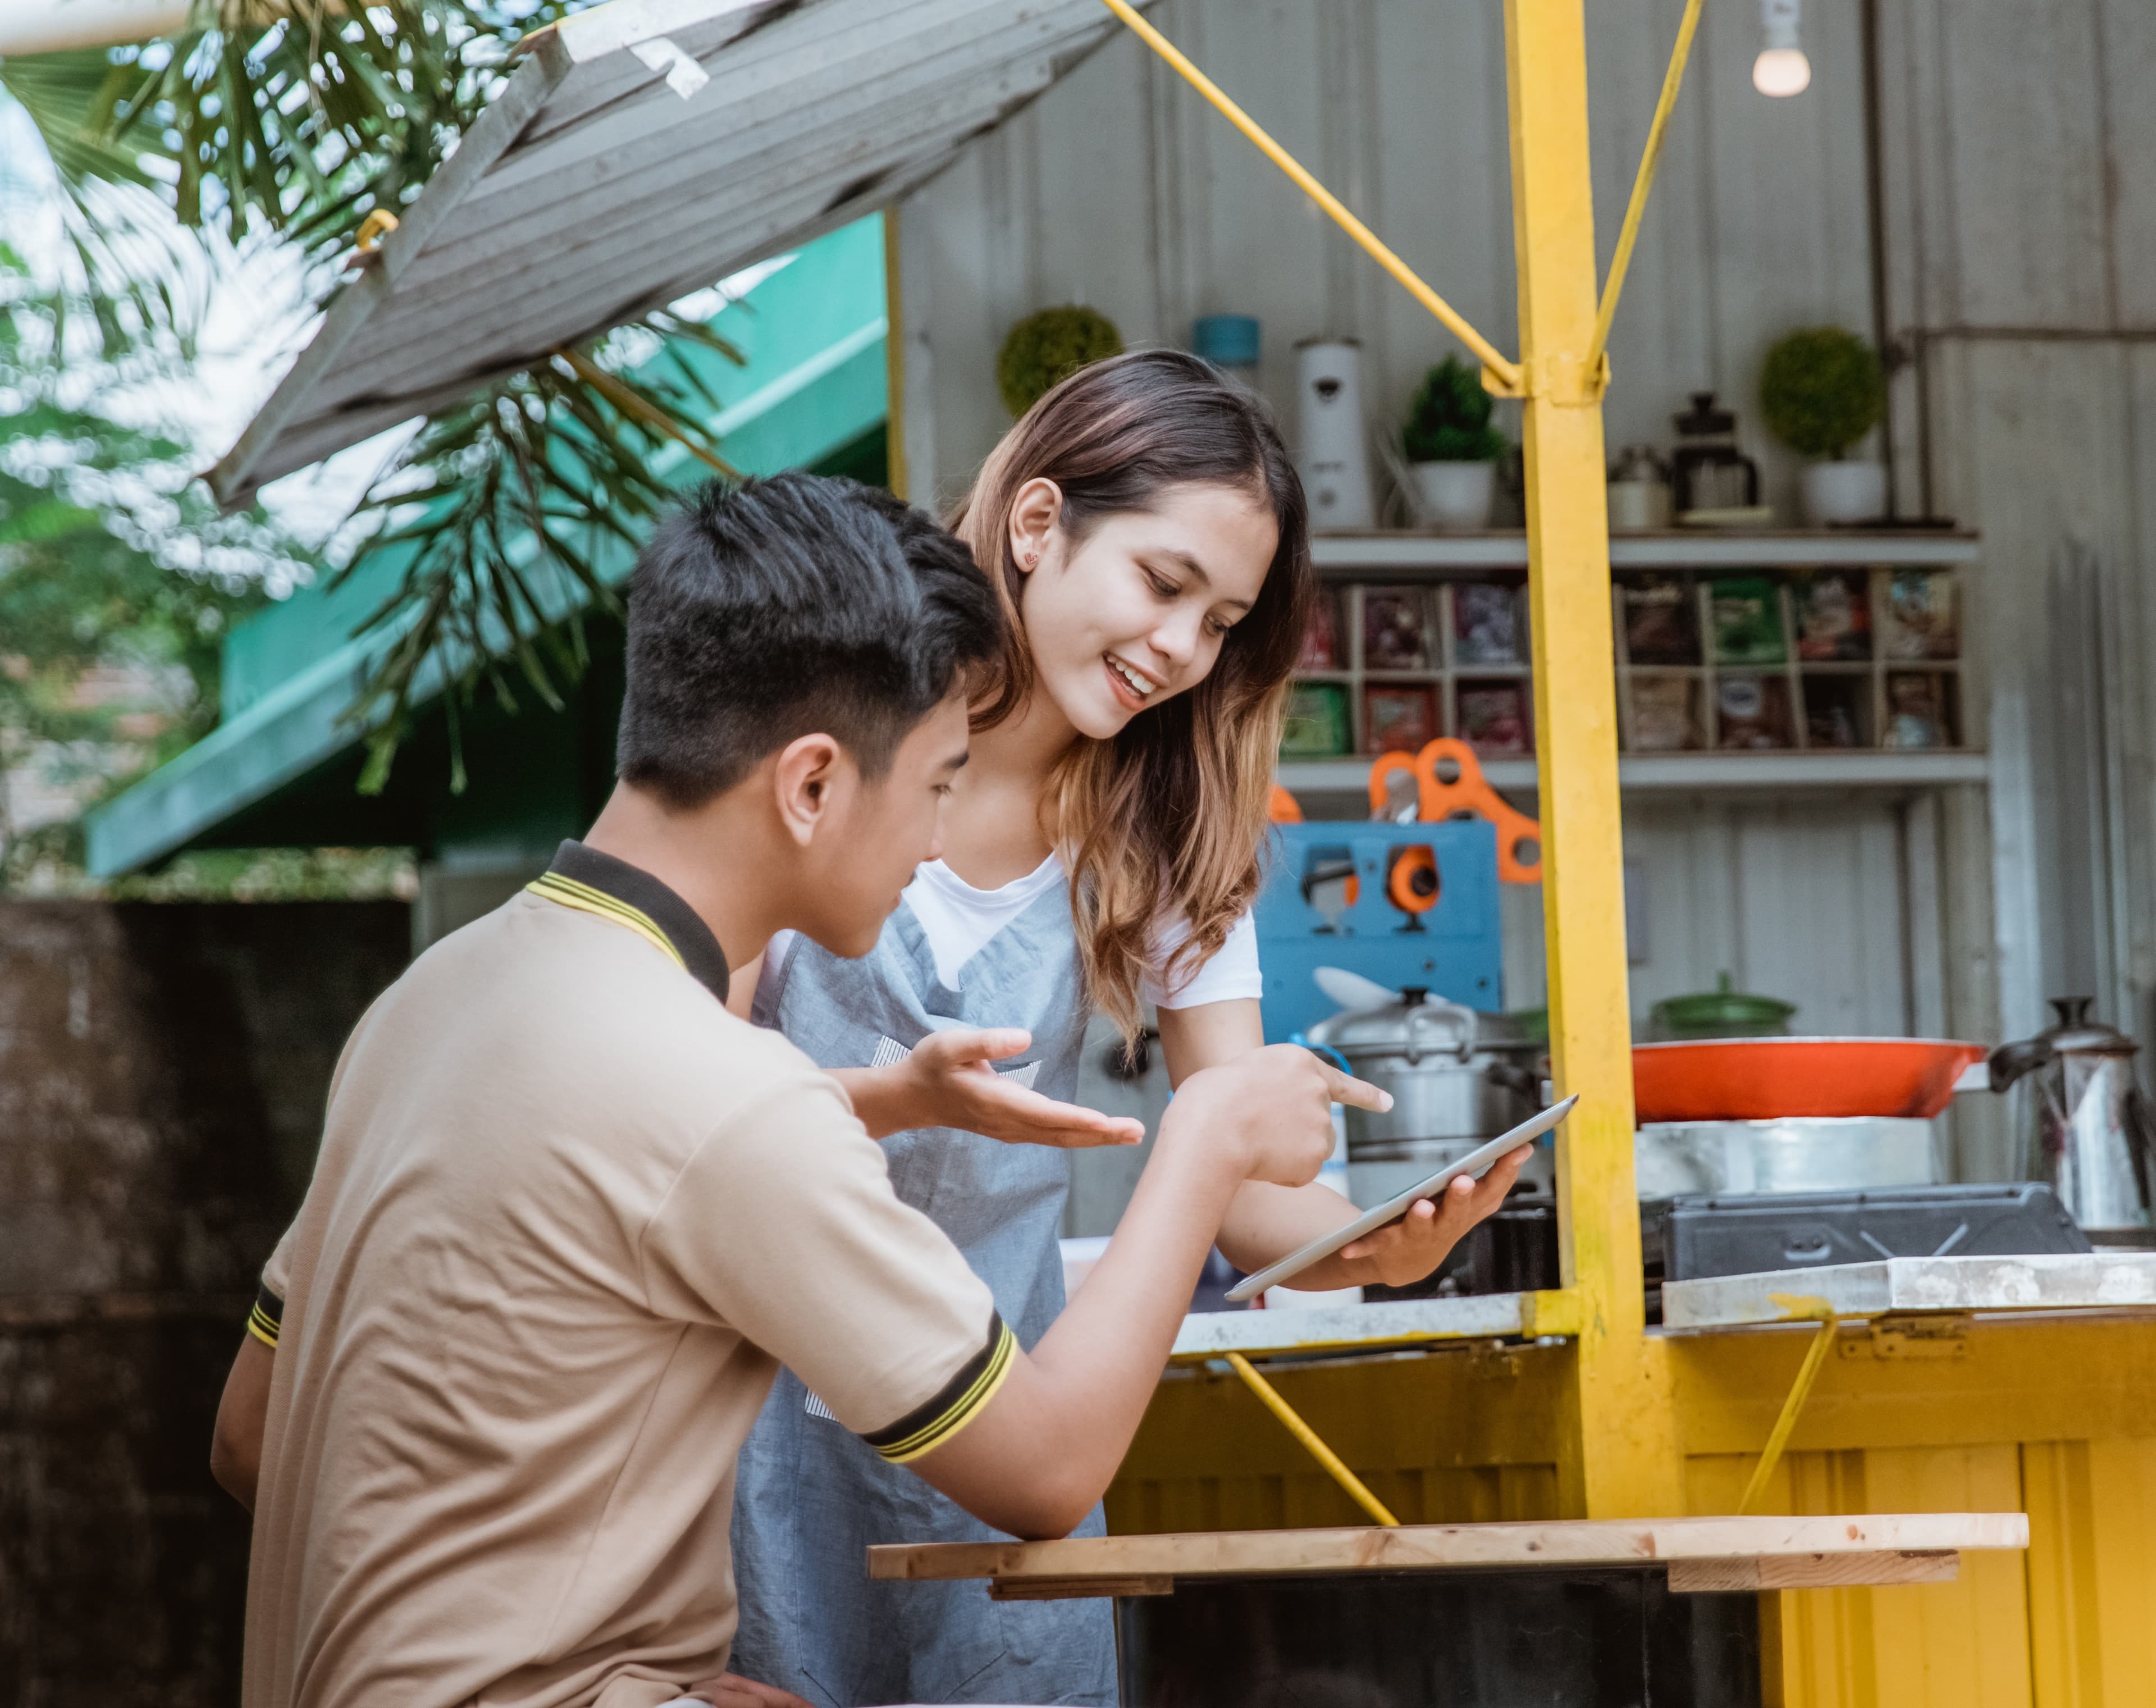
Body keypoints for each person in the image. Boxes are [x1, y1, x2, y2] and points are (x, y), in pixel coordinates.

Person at [207, 473, 1401, 1708]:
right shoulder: (737, 1101)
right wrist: (1201, 1139)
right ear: (814, 784)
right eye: (939, 782)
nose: (940, 843)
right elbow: (1045, 1474)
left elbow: (256, 1439)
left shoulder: (431, 1003)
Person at [725, 353, 1531, 1708]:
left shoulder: (1170, 838)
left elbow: (1253, 1210)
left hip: (1008, 1427)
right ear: (1037, 527)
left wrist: (1377, 1249)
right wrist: (900, 1095)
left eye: (1222, 622)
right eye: (1163, 585)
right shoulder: (824, 742)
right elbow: (680, 1102)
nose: (1182, 650)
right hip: (753, 1432)